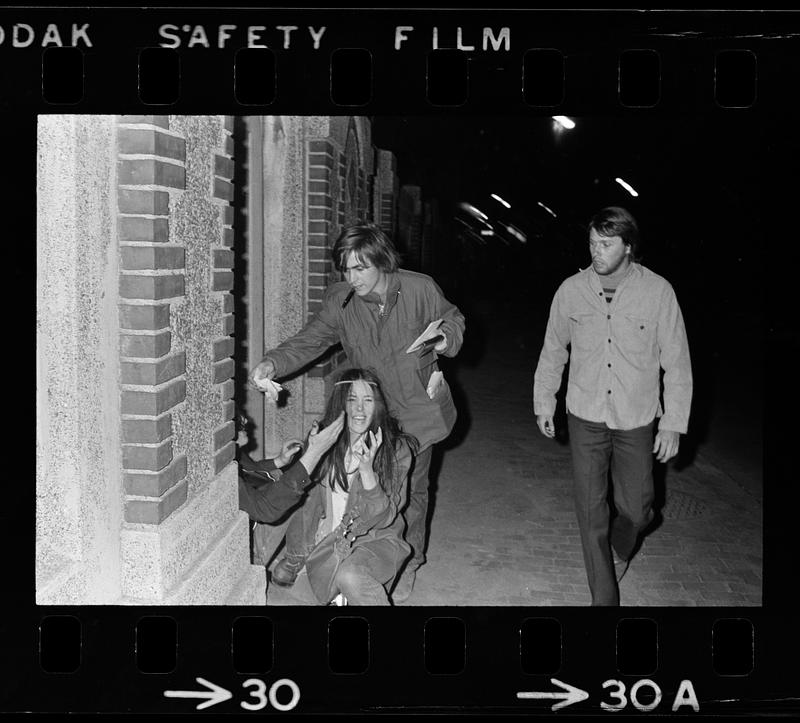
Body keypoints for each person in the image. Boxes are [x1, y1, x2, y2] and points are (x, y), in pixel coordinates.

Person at [248, 223, 465, 602]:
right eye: (347, 269)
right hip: (366, 407)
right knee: (321, 476)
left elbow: (454, 319)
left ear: (382, 262)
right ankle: (301, 554)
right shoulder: (342, 299)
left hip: (416, 414)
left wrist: (445, 338)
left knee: (409, 494)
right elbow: (312, 338)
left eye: (361, 268)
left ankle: (407, 563)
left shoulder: (419, 288)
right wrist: (273, 363)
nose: (353, 278)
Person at [533, 206, 693, 606]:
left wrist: (673, 422)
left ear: (628, 247)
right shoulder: (571, 290)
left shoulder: (658, 292)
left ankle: (621, 547)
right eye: (592, 243)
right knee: (590, 511)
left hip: (636, 417)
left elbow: (677, 361)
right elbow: (553, 350)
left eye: (606, 244)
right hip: (585, 413)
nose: (596, 252)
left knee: (638, 509)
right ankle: (604, 600)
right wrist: (544, 402)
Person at [272, 367, 418, 606]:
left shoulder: (396, 450)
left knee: (349, 577)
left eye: (368, 400)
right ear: (341, 404)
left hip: (374, 542)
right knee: (303, 593)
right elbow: (297, 500)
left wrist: (367, 471)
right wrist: (289, 461)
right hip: (332, 542)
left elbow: (384, 518)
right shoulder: (327, 441)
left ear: (378, 405)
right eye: (352, 400)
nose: (360, 409)